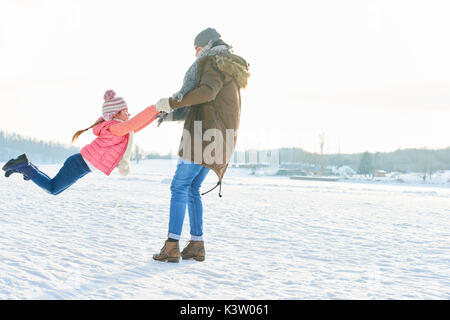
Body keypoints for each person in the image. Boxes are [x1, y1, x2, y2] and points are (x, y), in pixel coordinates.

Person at [152, 28, 250, 263]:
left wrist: (173, 101)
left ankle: (172, 246)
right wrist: (172, 112)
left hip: (202, 136)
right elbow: (208, 104)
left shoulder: (213, 62)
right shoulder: (229, 68)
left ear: (205, 46)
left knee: (179, 187)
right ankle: (197, 244)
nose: (195, 55)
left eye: (196, 49)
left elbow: (206, 93)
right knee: (192, 188)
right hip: (219, 139)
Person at [2, 90, 158, 195]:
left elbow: (136, 126)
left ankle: (24, 165)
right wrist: (156, 108)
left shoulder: (119, 129)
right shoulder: (115, 128)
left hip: (79, 165)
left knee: (53, 186)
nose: (129, 114)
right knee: (53, 189)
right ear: (116, 113)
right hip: (78, 165)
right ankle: (24, 166)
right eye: (126, 111)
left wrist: (156, 115)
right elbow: (134, 124)